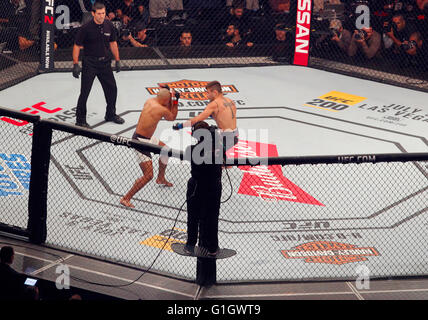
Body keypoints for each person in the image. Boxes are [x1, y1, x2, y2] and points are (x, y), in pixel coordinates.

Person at [120, 87, 180, 208]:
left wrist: (170, 96)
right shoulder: (161, 109)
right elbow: (172, 117)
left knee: (166, 151)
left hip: (146, 138)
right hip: (140, 142)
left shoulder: (150, 101)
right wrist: (175, 101)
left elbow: (166, 107)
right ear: (165, 101)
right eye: (167, 101)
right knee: (148, 175)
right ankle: (126, 198)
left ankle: (161, 178)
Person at [72, 2, 125, 128]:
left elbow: (113, 42)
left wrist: (117, 60)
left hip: (105, 63)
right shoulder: (85, 28)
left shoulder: (109, 25)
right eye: (99, 14)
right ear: (93, 13)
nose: (102, 16)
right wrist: (75, 64)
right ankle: (80, 120)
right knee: (85, 92)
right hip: (90, 63)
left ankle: (110, 114)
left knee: (112, 89)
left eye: (103, 13)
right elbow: (77, 46)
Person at [173, 81, 238, 164]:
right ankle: (223, 159)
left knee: (207, 158)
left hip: (226, 137)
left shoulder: (214, 104)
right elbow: (227, 117)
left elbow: (196, 120)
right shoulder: (230, 100)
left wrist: (180, 126)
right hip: (234, 134)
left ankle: (221, 163)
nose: (206, 95)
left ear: (215, 92)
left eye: (208, 93)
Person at [183, 121, 223, 256]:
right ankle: (212, 247)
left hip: (197, 187)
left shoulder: (192, 149)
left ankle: (190, 244)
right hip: (213, 187)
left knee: (193, 216)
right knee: (212, 217)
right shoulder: (218, 150)